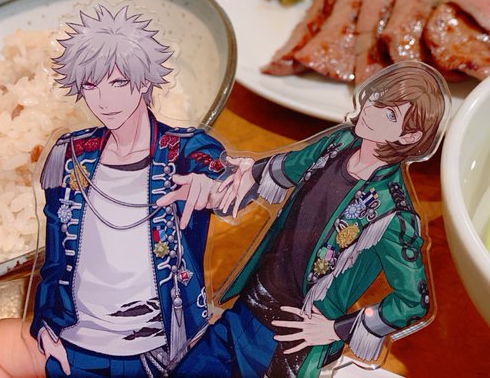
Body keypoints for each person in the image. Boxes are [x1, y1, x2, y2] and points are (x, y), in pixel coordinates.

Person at [174, 61, 450, 378]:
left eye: (390, 115)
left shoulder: (393, 213)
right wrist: (248, 172)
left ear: (409, 136)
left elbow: (414, 301)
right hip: (250, 302)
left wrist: (337, 329)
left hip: (291, 340)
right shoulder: (340, 142)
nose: (371, 112)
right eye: (376, 100)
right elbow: (291, 165)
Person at [30, 4, 232, 377]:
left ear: (143, 82)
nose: (104, 100)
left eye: (118, 83)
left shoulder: (183, 149)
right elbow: (55, 259)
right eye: (91, 86)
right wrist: (45, 324)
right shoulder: (69, 154)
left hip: (162, 350)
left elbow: (231, 182)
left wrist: (211, 186)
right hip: (76, 348)